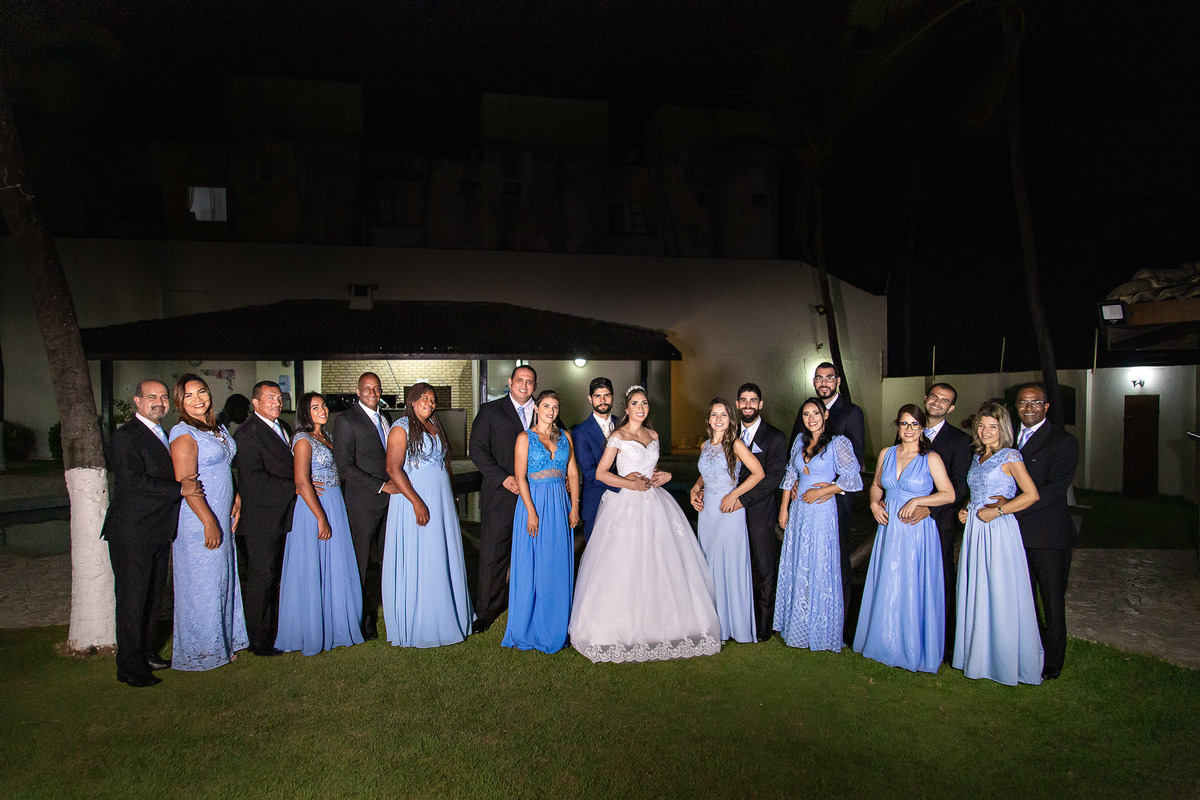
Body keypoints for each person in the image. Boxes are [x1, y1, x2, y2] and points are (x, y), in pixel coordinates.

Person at [569, 385, 721, 663]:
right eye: (635, 404)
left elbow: (655, 468)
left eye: (644, 404)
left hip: (657, 502)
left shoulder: (653, 435)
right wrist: (629, 483)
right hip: (626, 502)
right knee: (626, 563)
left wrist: (666, 474)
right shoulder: (618, 436)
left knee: (662, 561)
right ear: (626, 409)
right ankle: (619, 626)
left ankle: (667, 623)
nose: (640, 408)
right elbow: (601, 473)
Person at [103, 379, 202, 687]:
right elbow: (132, 482)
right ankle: (130, 667)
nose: (158, 402)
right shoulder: (126, 437)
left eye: (162, 398)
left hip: (157, 530)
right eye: (151, 397)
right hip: (133, 532)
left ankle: (147, 652)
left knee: (152, 598)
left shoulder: (162, 433)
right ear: (137, 401)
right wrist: (180, 488)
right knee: (133, 601)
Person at [853, 404, 956, 674]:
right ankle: (882, 642)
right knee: (887, 581)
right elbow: (876, 485)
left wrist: (920, 500)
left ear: (922, 428)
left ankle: (911, 648)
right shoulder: (887, 453)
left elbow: (948, 494)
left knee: (912, 584)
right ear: (897, 427)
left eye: (914, 424)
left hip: (915, 531)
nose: (908, 429)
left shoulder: (931, 458)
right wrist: (875, 504)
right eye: (903, 424)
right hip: (889, 530)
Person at [954, 401, 1044, 685]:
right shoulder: (977, 456)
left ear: (1002, 428)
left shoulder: (1010, 456)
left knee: (1001, 591)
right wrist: (966, 507)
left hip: (999, 531)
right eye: (981, 425)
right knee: (977, 589)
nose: (985, 431)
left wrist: (998, 511)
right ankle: (977, 655)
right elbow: (978, 490)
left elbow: (1031, 495)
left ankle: (1005, 660)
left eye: (992, 426)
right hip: (975, 532)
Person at [382, 383, 474, 647]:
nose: (430, 403)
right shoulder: (400, 428)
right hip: (415, 501)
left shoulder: (435, 426)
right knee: (420, 555)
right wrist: (417, 503)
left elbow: (445, 465)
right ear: (411, 401)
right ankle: (421, 618)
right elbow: (393, 468)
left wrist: (452, 496)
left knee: (440, 553)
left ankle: (446, 610)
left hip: (441, 500)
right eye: (424, 398)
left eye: (433, 400)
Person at [274, 392, 364, 656]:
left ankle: (337, 624)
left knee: (336, 563)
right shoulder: (302, 440)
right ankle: (310, 629)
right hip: (315, 509)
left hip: (335, 503)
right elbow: (301, 483)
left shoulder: (328, 437)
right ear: (305, 412)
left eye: (324, 405)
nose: (323, 410)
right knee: (313, 565)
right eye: (316, 407)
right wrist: (321, 517)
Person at [168, 374, 248, 671]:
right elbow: (186, 482)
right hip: (199, 520)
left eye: (201, 392)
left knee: (222, 581)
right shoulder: (183, 433)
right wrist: (209, 522)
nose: (198, 399)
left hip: (223, 513)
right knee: (202, 586)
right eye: (189, 396)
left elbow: (225, 468)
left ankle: (223, 642)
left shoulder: (215, 427)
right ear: (180, 401)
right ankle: (203, 650)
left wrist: (235, 498)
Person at [775, 397, 862, 652]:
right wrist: (784, 508)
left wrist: (829, 489)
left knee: (819, 564)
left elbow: (853, 478)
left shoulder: (838, 443)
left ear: (825, 414)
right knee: (798, 562)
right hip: (799, 510)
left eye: (815, 413)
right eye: (805, 414)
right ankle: (798, 621)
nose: (811, 418)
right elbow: (790, 474)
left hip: (822, 511)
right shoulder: (800, 442)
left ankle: (820, 625)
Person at [789, 362, 865, 642]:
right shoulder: (807, 411)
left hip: (835, 500)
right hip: (804, 499)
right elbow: (794, 455)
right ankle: (803, 615)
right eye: (818, 378)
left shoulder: (852, 413)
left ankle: (837, 623)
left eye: (828, 378)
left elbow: (855, 462)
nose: (823, 382)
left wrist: (829, 490)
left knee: (836, 562)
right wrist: (797, 481)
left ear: (838, 381)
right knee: (805, 558)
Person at [502, 390, 581, 653]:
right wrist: (531, 512)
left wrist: (575, 507)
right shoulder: (525, 438)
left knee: (555, 563)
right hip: (532, 503)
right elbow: (520, 476)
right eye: (546, 405)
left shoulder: (566, 437)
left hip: (560, 503)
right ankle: (526, 627)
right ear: (537, 408)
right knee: (531, 565)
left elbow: (572, 471)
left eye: (555, 407)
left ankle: (555, 627)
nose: (551, 411)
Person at [1013, 384, 1080, 680]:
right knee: (1019, 597)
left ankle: (1053, 662)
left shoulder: (1063, 441)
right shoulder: (1006, 437)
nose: (1029, 408)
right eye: (1023, 403)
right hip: (1013, 536)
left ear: (1046, 407)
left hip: (1048, 536)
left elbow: (1054, 491)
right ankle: (1026, 650)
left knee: (1051, 601)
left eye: (1035, 402)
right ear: (1016, 407)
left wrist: (1008, 509)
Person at [902, 383, 973, 662]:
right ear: (925, 399)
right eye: (934, 397)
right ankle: (908, 634)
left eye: (945, 400)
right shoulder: (908, 431)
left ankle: (940, 644)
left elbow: (959, 486)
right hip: (904, 520)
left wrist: (928, 510)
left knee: (938, 581)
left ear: (951, 408)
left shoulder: (959, 440)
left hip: (938, 522)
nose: (937, 403)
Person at [689, 397, 764, 644]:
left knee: (728, 564)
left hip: (729, 510)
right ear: (708, 418)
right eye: (714, 414)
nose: (718, 418)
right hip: (707, 510)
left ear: (730, 419)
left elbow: (758, 473)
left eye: (723, 414)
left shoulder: (736, 444)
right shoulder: (704, 446)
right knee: (709, 566)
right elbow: (705, 473)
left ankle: (735, 626)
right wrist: (695, 488)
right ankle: (713, 624)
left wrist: (734, 494)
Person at [468, 364, 537, 633]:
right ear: (510, 382)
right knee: (493, 555)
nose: (524, 385)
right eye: (520, 380)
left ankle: (530, 604)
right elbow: (477, 450)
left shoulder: (544, 410)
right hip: (501, 495)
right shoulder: (490, 411)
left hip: (536, 494)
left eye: (530, 381)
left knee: (533, 552)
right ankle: (485, 611)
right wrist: (503, 478)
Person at [332, 372, 398, 640]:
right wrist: (380, 486)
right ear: (357, 391)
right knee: (359, 563)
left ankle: (389, 610)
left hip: (390, 502)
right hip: (363, 503)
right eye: (367, 388)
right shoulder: (346, 421)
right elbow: (345, 466)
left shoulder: (386, 418)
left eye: (376, 388)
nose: (372, 392)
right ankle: (360, 620)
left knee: (387, 559)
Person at [232, 380, 295, 657]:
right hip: (261, 518)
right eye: (270, 398)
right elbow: (253, 480)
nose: (277, 403)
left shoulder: (283, 427)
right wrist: (295, 487)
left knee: (277, 576)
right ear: (255, 403)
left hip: (283, 514)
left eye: (279, 398)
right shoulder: (247, 433)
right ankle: (258, 640)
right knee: (262, 577)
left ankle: (277, 629)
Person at [732, 382, 788, 641]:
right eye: (743, 400)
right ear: (737, 404)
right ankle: (738, 618)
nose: (748, 405)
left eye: (753, 400)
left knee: (764, 566)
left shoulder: (774, 436)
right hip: (729, 513)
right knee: (736, 565)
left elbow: (774, 476)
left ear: (760, 404)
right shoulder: (729, 433)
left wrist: (744, 499)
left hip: (759, 511)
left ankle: (764, 623)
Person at [572, 377, 619, 542]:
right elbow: (589, 471)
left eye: (606, 395)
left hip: (627, 502)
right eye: (598, 396)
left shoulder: (623, 424)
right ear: (590, 399)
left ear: (613, 396)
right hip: (596, 500)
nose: (602, 400)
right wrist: (624, 485)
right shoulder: (581, 431)